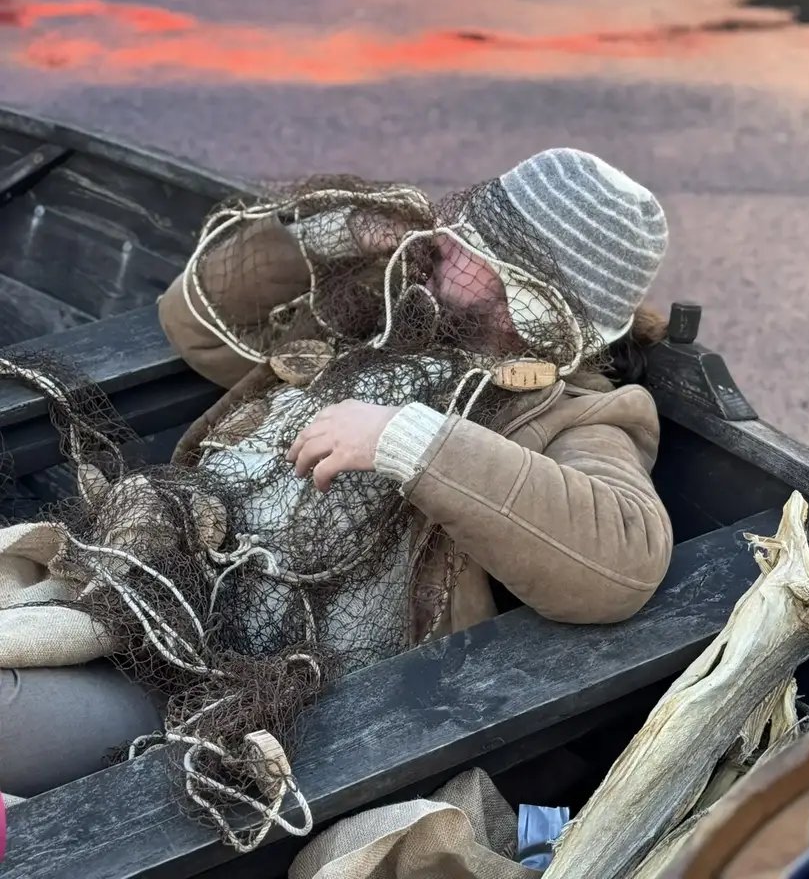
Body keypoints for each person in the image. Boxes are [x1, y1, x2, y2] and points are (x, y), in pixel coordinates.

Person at [0, 148, 673, 831]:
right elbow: (193, 325)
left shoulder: (577, 415)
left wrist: (408, 441)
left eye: (475, 252)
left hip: (253, 704)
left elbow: (623, 563)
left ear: (526, 305)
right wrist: (328, 240)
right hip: (142, 596)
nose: (442, 242)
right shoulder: (381, 305)